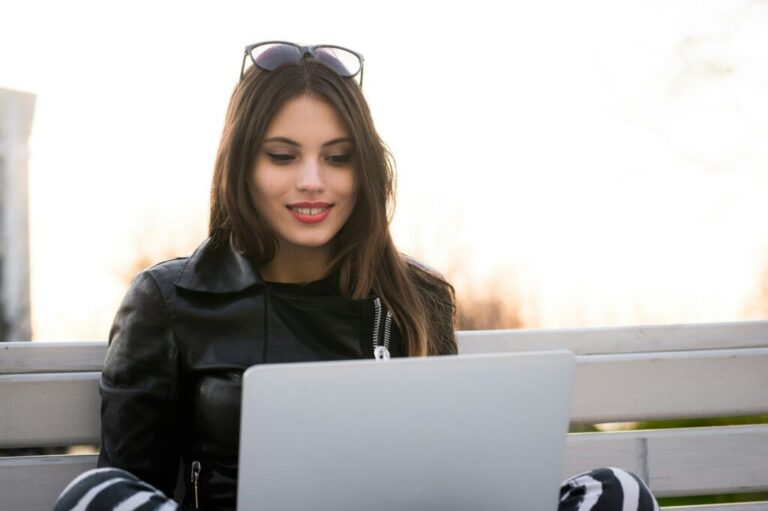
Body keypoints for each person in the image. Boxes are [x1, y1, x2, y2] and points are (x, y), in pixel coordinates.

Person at [54, 42, 659, 511]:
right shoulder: (169, 301)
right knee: (96, 496)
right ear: (242, 165)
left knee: (618, 493)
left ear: (364, 169)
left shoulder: (415, 301)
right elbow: (130, 484)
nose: (314, 181)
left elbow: (453, 476)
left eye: (338, 158)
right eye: (283, 155)